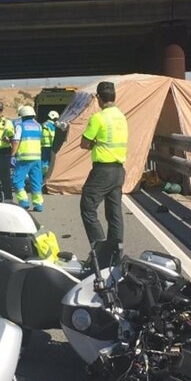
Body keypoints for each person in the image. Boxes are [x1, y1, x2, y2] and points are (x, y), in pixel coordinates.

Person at [79, 81, 129, 253]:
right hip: (119, 170)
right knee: (114, 213)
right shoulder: (122, 117)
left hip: (103, 170)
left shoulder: (98, 118)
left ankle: (100, 251)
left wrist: (94, 144)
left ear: (98, 97)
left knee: (87, 207)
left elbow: (84, 143)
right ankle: (116, 251)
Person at [10, 105, 44, 211]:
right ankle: (38, 204)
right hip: (37, 158)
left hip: (24, 159)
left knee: (17, 180)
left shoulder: (20, 126)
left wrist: (12, 155)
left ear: (22, 115)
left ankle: (24, 201)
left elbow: (16, 141)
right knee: (36, 181)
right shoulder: (39, 126)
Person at [41, 110, 58, 176]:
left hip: (43, 145)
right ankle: (46, 175)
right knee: (49, 162)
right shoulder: (52, 126)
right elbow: (53, 136)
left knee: (43, 161)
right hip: (50, 145)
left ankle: (41, 175)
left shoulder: (43, 124)